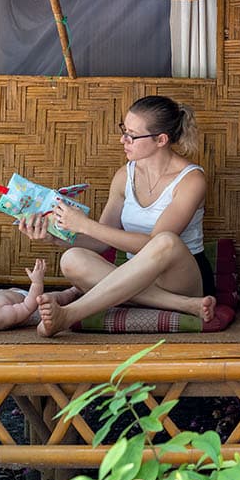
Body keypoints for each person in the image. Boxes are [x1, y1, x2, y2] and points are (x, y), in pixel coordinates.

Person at [20, 95, 216, 336]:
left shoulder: (191, 180)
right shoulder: (124, 176)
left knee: (165, 241)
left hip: (180, 277)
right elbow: (100, 244)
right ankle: (181, 306)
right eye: (124, 130)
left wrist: (85, 225)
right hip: (136, 277)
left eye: (132, 134)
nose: (123, 139)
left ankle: (71, 313)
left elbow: (151, 243)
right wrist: (53, 235)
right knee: (71, 258)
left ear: (161, 140)